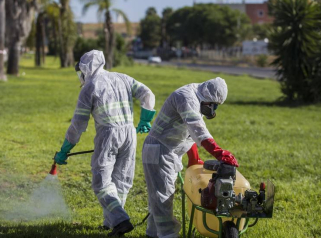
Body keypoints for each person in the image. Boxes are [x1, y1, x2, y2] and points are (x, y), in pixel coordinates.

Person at [54, 50, 156, 237]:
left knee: (101, 182)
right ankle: (111, 223)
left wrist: (65, 149)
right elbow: (147, 93)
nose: (81, 76)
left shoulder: (89, 87)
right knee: (121, 180)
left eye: (81, 71)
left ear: (86, 67)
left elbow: (78, 125)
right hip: (129, 134)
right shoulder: (122, 78)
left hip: (108, 134)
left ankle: (120, 220)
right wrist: (145, 119)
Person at [142, 77, 239, 238]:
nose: (214, 110)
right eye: (213, 106)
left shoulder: (198, 97)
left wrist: (193, 157)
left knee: (160, 196)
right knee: (162, 197)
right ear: (207, 99)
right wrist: (220, 152)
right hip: (159, 150)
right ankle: (167, 235)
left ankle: (153, 234)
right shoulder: (186, 97)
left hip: (168, 151)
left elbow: (189, 132)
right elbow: (198, 130)